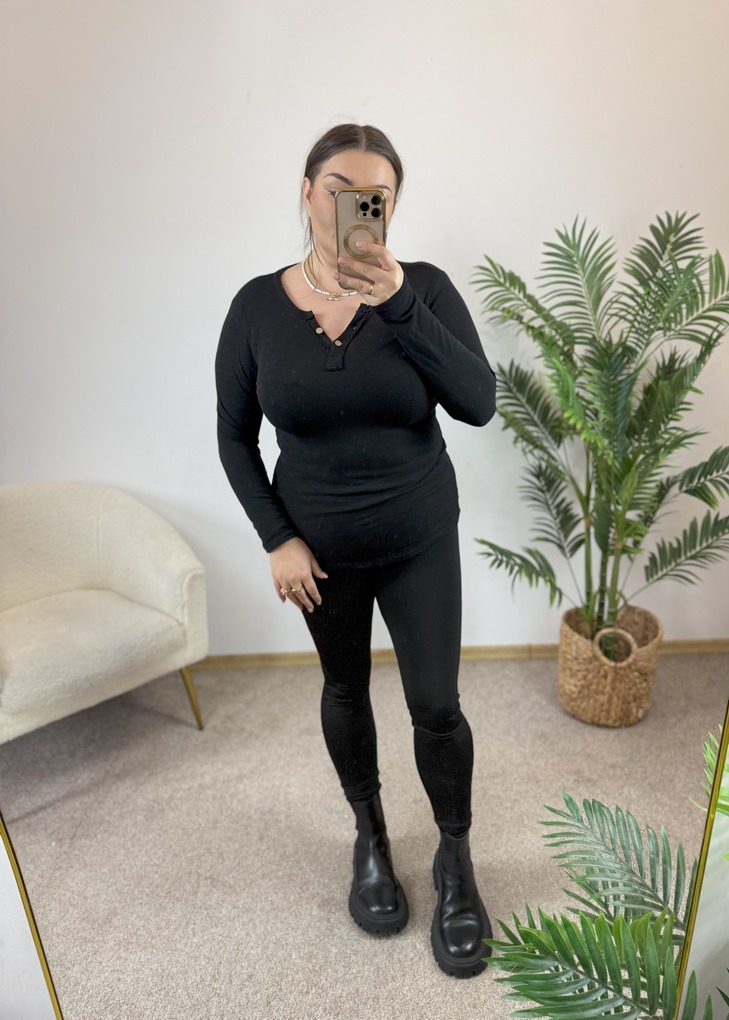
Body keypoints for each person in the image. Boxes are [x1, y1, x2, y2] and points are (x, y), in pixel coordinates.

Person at [215, 124, 496, 978]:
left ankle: (454, 860)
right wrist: (277, 539)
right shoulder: (256, 307)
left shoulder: (426, 289)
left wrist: (398, 302)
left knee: (435, 705)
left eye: (375, 195)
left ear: (391, 206)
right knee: (344, 688)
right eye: (337, 187)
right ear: (306, 192)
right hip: (319, 556)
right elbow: (233, 437)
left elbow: (478, 402)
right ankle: (370, 839)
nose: (353, 206)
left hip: (418, 537)